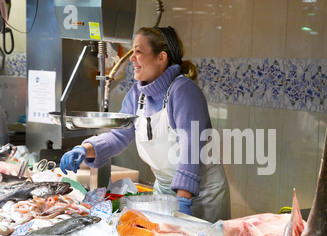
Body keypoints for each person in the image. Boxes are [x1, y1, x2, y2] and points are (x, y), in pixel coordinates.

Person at [59, 26, 231, 223]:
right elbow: (119, 135)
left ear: (161, 57)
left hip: (201, 194)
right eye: (132, 51)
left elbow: (191, 150)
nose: (132, 58)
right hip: (165, 192)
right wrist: (86, 148)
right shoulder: (137, 93)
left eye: (138, 52)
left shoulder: (183, 91)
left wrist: (183, 200)